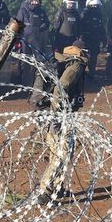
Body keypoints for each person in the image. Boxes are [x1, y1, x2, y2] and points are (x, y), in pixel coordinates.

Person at [35, 45, 88, 199]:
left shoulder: (70, 64)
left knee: (60, 152)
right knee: (62, 152)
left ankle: (58, 187)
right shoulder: (76, 66)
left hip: (56, 113)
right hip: (59, 115)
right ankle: (45, 191)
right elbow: (61, 87)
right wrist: (58, 115)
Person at [79, 0, 107, 75]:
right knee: (84, 57)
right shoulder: (84, 14)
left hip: (96, 38)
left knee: (94, 57)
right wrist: (81, 37)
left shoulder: (99, 14)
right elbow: (80, 26)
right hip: (86, 39)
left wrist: (104, 38)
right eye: (93, 6)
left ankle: (92, 73)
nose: (95, 7)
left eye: (97, 6)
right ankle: (82, 73)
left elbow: (101, 27)